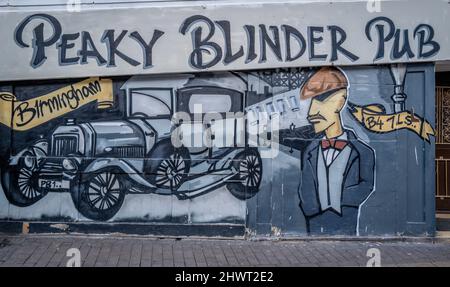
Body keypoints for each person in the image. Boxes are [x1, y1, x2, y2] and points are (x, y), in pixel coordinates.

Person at [298, 67, 375, 235]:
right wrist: (311, 209)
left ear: (340, 101)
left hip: (346, 222)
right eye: (311, 103)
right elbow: (305, 188)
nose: (311, 112)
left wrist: (341, 202)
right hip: (314, 223)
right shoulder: (310, 151)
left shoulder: (363, 152)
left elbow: (366, 186)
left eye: (318, 100)